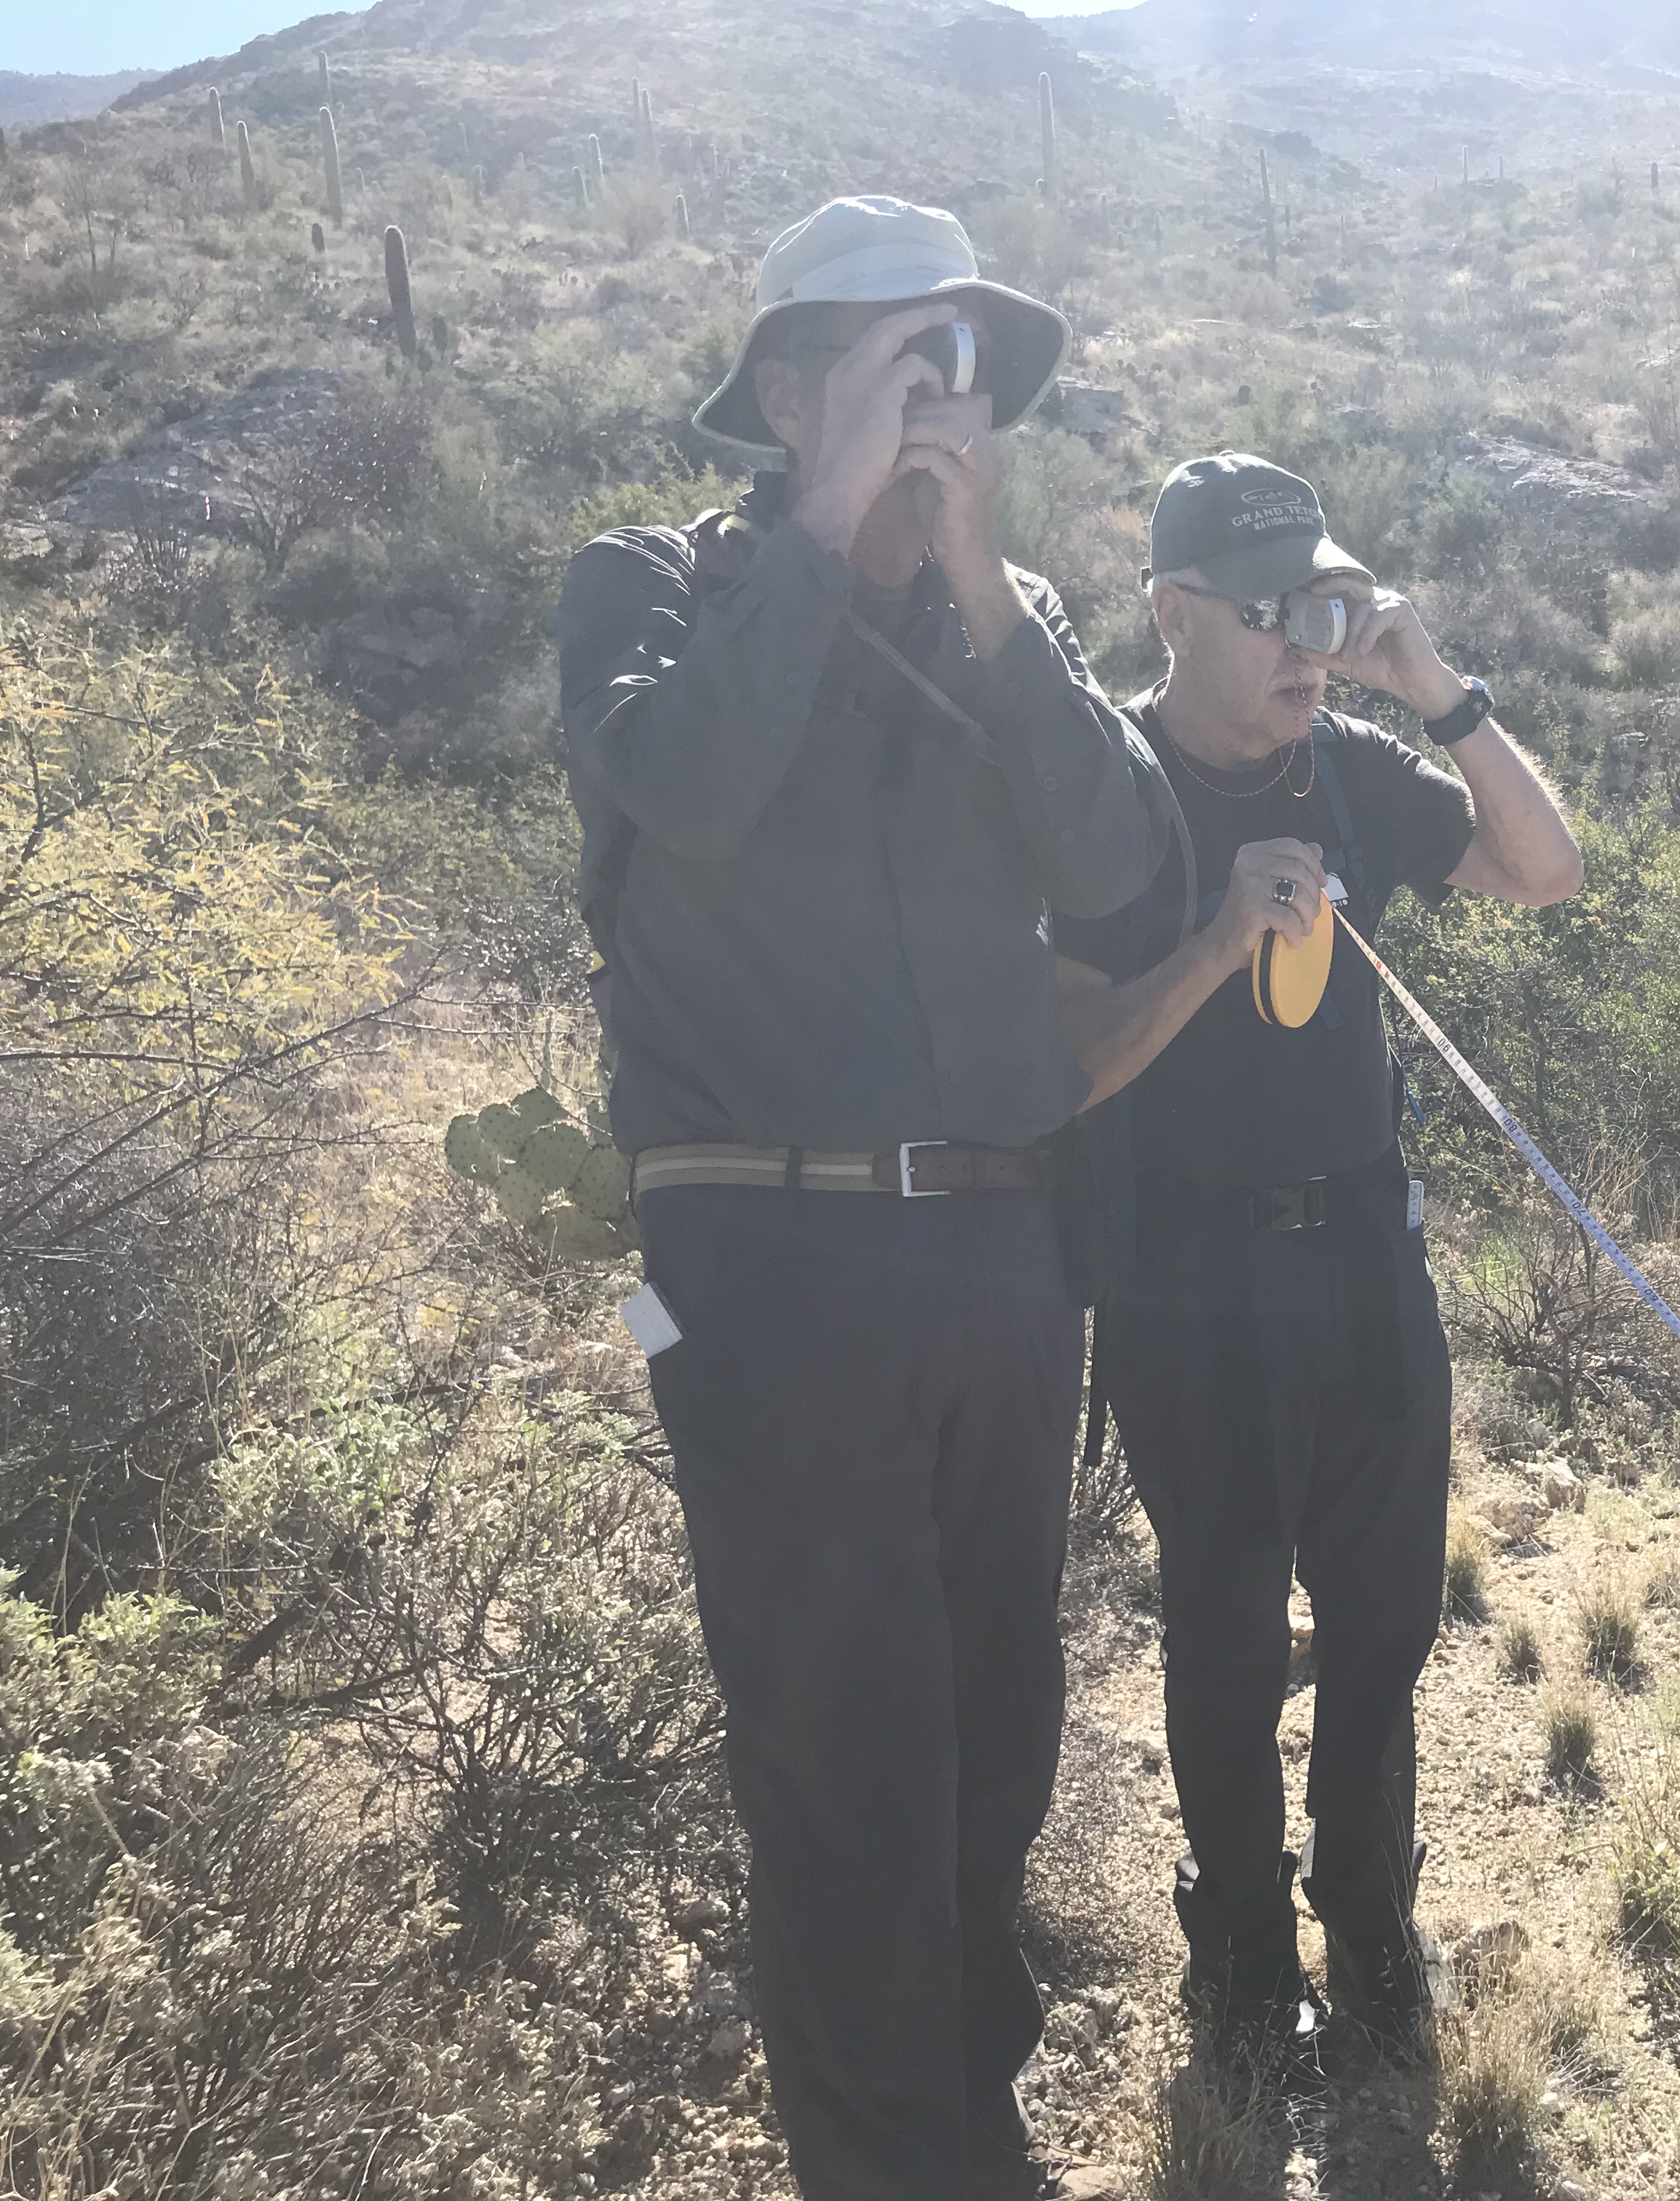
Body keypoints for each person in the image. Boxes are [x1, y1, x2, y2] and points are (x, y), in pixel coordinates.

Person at [554, 195, 1165, 2201]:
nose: (935, 404)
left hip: (1001, 1249)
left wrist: (985, 584)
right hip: (765, 1254)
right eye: (897, 362)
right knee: (844, 1755)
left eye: (957, 365)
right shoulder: (652, 585)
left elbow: (1121, 875)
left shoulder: (1014, 621)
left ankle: (963, 2111)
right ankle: (894, 2165)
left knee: (996, 1727)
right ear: (786, 390)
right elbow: (689, 789)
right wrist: (825, 520)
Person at [1052, 454, 1582, 2066]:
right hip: (1188, 1288)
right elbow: (1068, 1067)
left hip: (1365, 1261)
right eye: (1269, 612)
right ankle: (1238, 1945)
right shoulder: (1105, 787)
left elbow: (1544, 870)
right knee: (1222, 1635)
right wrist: (1218, 942)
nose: (1305, 646)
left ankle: (1367, 1909)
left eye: (1326, 608)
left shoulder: (1348, 768)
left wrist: (1437, 688)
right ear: (1173, 614)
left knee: (1384, 1619)